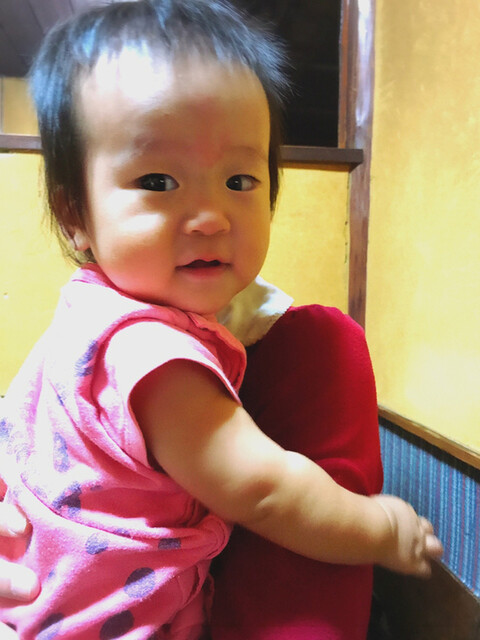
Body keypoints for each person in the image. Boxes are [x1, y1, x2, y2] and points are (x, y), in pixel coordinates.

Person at [0, 0, 443, 638]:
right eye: (158, 181)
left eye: (240, 181)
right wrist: (381, 529)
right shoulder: (148, 350)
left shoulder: (86, 310)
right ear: (76, 216)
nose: (210, 217)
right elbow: (264, 489)